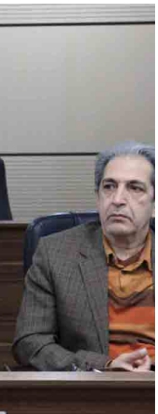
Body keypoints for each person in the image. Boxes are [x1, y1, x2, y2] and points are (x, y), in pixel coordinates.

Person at [13, 143, 155, 372]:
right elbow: (30, 342)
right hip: (91, 386)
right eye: (109, 187)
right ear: (98, 197)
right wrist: (104, 365)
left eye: (135, 188)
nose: (118, 199)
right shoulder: (55, 253)